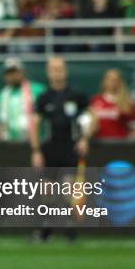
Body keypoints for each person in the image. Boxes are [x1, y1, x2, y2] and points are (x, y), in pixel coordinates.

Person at [29, 56, 91, 242]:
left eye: (59, 69)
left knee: (68, 188)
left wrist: (85, 138)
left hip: (69, 147)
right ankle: (46, 228)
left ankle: (69, 227)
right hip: (49, 148)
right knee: (47, 190)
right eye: (53, 69)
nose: (57, 73)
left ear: (65, 71)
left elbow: (92, 116)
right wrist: (36, 150)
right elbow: (35, 124)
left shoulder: (76, 95)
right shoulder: (43, 98)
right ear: (48, 72)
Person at [0, 57, 45, 140]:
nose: (12, 76)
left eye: (15, 71)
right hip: (7, 145)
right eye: (9, 73)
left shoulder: (38, 90)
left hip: (32, 142)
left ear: (22, 71)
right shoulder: (0, 96)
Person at [89, 69, 135, 140]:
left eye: (115, 80)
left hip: (119, 145)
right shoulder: (95, 100)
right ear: (104, 81)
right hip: (99, 145)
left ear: (120, 82)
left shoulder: (128, 102)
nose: (112, 82)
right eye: (109, 79)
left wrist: (129, 143)